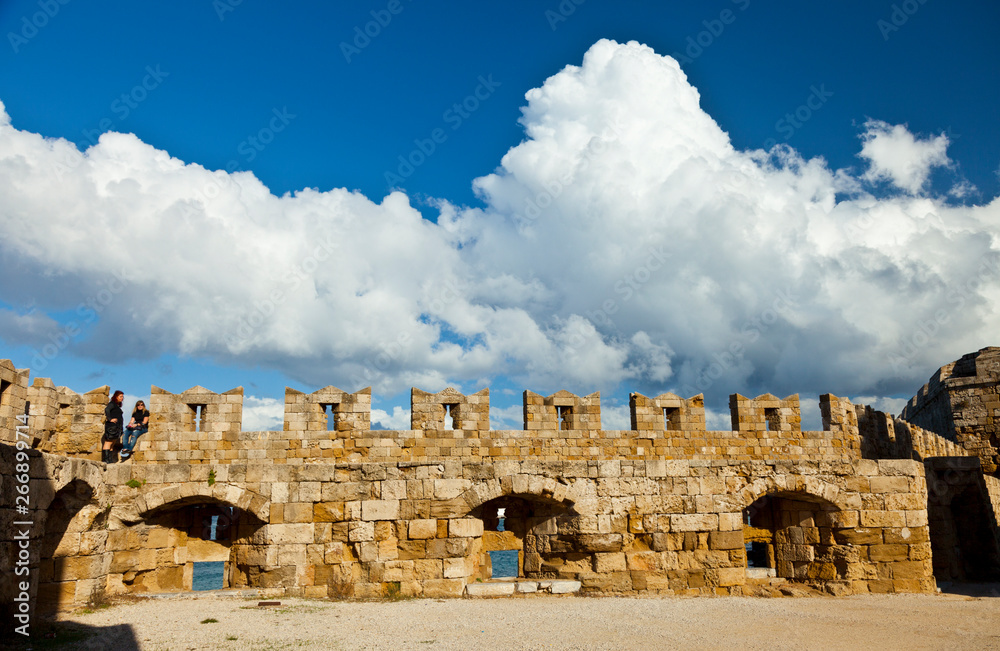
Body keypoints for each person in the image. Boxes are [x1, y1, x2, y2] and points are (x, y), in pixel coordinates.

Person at [103, 390, 125, 464]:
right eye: (120, 396)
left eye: (122, 397)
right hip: (111, 427)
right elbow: (107, 409)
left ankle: (110, 460)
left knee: (112, 444)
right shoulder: (112, 404)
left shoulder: (117, 406)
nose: (122, 398)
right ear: (116, 396)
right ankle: (106, 460)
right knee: (108, 443)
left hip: (116, 427)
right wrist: (110, 419)